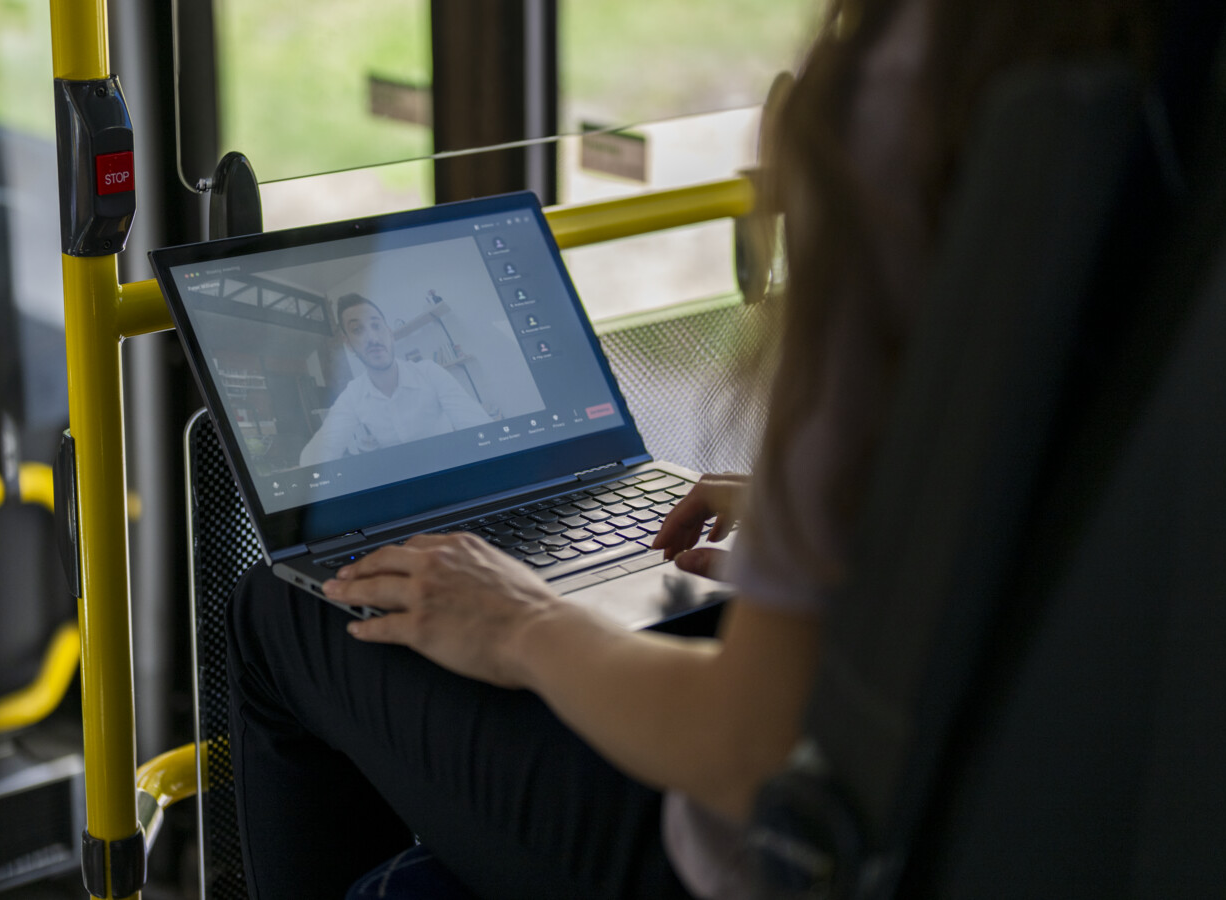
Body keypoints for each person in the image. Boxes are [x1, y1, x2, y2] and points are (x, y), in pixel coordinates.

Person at [228, 1, 1171, 897]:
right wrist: (834, 526)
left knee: (278, 608)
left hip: (757, 855)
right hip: (1016, 769)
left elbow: (747, 745)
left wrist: (520, 621)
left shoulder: (915, 86)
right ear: (353, 347)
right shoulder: (1173, 74)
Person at [299, 293, 492, 467]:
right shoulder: (353, 395)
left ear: (389, 333)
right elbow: (315, 455)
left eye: (376, 325)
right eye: (358, 330)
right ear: (348, 343)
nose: (372, 338)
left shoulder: (429, 372)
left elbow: (479, 427)